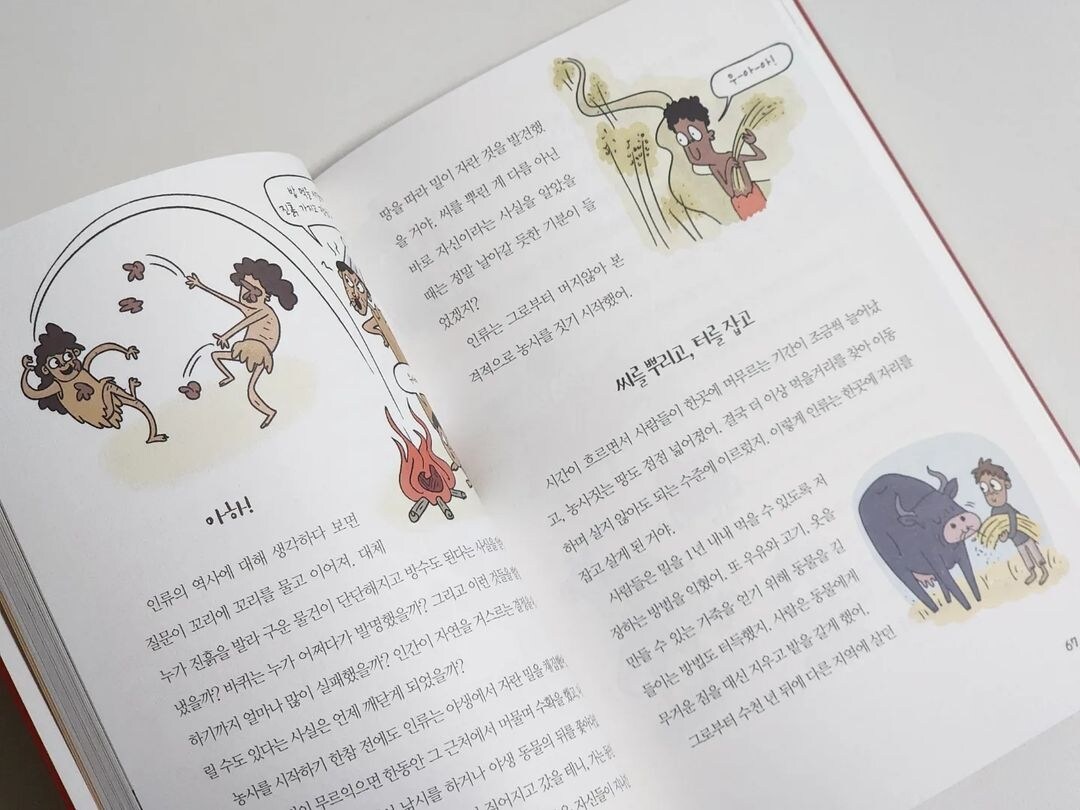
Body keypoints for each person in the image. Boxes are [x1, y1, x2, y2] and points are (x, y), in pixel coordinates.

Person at [185, 258, 298, 429]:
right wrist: (200, 285)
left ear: (266, 295)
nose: (246, 294)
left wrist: (225, 336)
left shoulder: (263, 311)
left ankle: (267, 411)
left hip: (258, 348)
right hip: (254, 347)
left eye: (254, 291)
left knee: (248, 386)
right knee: (222, 361)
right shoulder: (251, 308)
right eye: (244, 287)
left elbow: (244, 323)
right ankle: (265, 408)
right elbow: (227, 299)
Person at [663, 96, 767, 220]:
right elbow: (730, 191)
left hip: (756, 195)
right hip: (741, 203)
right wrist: (729, 167)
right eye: (683, 140)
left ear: (710, 135)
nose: (692, 147)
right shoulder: (715, 166)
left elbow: (760, 156)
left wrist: (751, 143)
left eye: (695, 135)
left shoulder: (731, 155)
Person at [972, 458, 1048, 585]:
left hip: (1024, 536)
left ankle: (1044, 571)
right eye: (985, 489)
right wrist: (1001, 537)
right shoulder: (994, 512)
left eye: (994, 486)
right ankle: (1033, 573)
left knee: (1034, 552)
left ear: (1006, 485)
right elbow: (997, 529)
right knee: (1025, 556)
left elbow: (1013, 521)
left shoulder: (1008, 509)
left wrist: (1009, 534)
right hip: (1016, 541)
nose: (991, 493)